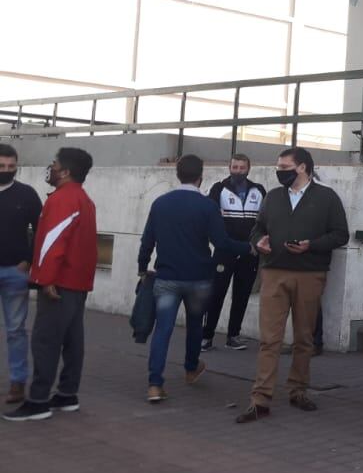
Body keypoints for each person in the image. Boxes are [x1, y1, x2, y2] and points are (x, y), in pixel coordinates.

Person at [236, 147, 349, 424]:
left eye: (285, 166)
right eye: (279, 166)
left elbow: (340, 234)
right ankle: (260, 399)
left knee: (303, 338)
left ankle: (298, 390)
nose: (280, 171)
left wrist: (313, 246)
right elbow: (258, 228)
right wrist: (258, 241)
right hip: (274, 272)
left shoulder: (326, 197)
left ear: (302, 168)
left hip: (310, 274)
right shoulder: (273, 197)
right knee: (269, 339)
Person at [138, 155, 252, 403]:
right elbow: (221, 242)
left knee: (163, 330)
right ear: (201, 177)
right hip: (198, 278)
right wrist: (249, 248)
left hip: (166, 276)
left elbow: (148, 239)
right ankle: (191, 368)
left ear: (177, 175)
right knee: (195, 325)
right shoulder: (207, 206)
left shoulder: (160, 203)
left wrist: (141, 266)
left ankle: (155, 385)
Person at [3, 147, 97, 422]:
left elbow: (52, 244)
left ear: (65, 171)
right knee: (72, 340)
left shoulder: (62, 200)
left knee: (45, 341)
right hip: (76, 283)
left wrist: (45, 279)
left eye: (54, 164)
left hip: (59, 283)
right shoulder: (83, 199)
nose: (51, 168)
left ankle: (38, 401)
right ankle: (67, 395)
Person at [202, 154, 267, 352]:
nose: (238, 171)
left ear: (249, 168)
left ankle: (233, 336)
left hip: (250, 252)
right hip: (224, 251)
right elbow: (210, 219)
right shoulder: (218, 189)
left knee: (242, 295)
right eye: (235, 167)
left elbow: (264, 222)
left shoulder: (259, 190)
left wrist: (258, 244)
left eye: (242, 168)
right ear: (229, 168)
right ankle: (206, 337)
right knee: (216, 294)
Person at [0, 144, 42, 406]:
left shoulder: (27, 194)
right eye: (1, 166)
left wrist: (28, 260)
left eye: (11, 167)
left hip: (16, 272)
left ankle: (17, 383)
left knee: (16, 330)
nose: (6, 171)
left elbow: (41, 229)